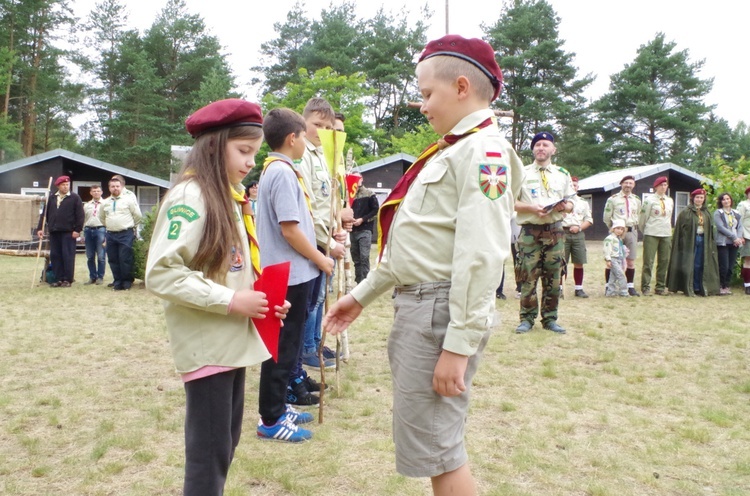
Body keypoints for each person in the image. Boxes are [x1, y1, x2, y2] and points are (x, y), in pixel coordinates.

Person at [323, 35, 522, 495]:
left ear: (460, 86)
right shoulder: (453, 150)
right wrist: (360, 296)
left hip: (438, 312)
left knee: (439, 446)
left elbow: (481, 253)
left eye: (427, 93)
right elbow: (415, 246)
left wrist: (459, 345)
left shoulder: (481, 151)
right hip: (423, 306)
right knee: (434, 444)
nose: (421, 105)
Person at [145, 99, 291, 494]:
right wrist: (231, 301)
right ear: (214, 147)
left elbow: (230, 267)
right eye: (243, 151)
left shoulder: (226, 195)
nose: (250, 163)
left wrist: (261, 299)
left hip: (229, 343)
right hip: (209, 344)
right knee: (207, 460)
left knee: (223, 447)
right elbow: (162, 272)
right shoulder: (191, 197)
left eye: (254, 153)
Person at [255, 107, 335, 441]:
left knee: (285, 348)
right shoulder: (283, 173)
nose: (307, 141)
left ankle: (278, 406)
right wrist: (320, 257)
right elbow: (290, 230)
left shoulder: (281, 170)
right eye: (304, 134)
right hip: (289, 276)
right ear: (292, 138)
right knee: (281, 349)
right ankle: (271, 419)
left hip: (291, 274)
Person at [296, 97, 344, 372]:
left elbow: (329, 201)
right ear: (304, 122)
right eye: (316, 124)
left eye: (327, 125)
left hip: (326, 238)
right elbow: (308, 207)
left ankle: (314, 341)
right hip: (314, 241)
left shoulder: (319, 155)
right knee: (311, 301)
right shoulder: (302, 156)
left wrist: (336, 229)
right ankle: (306, 349)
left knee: (320, 297)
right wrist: (327, 244)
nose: (321, 130)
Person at [514, 131, 575, 334]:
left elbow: (572, 202)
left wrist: (564, 207)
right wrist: (532, 209)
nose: (541, 148)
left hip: (555, 232)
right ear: (533, 149)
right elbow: (510, 202)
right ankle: (526, 319)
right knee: (527, 277)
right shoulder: (521, 173)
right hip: (530, 232)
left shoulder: (563, 174)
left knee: (554, 278)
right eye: (538, 144)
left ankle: (550, 319)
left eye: (545, 145)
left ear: (553, 150)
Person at [666, 188, 720, 296]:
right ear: (693, 198)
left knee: (701, 264)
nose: (699, 199)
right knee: (691, 264)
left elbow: (710, 230)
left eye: (701, 198)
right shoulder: (685, 212)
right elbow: (680, 231)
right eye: (697, 197)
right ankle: (690, 286)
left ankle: (699, 287)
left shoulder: (706, 213)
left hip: (703, 240)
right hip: (690, 241)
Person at [36, 175, 84, 287]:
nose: (66, 187)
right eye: (63, 185)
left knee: (68, 255)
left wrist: (77, 229)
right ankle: (58, 278)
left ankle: (68, 279)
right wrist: (40, 228)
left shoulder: (74, 197)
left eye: (67, 185)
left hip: (68, 232)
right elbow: (44, 215)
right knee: (56, 255)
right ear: (58, 185)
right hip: (54, 231)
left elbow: (80, 215)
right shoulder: (51, 198)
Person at [99, 176, 142, 290]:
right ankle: (117, 282)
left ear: (122, 187)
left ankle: (127, 282)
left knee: (125, 258)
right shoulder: (105, 203)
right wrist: (110, 225)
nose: (115, 188)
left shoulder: (128, 200)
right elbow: (102, 218)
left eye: (117, 186)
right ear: (109, 188)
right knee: (113, 259)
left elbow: (137, 216)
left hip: (125, 233)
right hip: (111, 234)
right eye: (113, 186)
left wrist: (132, 227)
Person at [603, 175, 641, 296]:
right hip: (617, 233)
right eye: (626, 183)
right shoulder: (613, 199)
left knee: (630, 260)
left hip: (630, 231)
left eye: (630, 183)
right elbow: (606, 217)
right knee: (613, 260)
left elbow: (638, 215)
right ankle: (609, 287)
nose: (628, 185)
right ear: (621, 184)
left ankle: (630, 286)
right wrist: (614, 230)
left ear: (633, 185)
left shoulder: (636, 200)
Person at [638, 176, 673, 295]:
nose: (663, 187)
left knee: (664, 261)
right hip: (652, 233)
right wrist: (646, 231)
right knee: (649, 261)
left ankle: (660, 287)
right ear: (656, 187)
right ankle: (645, 286)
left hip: (666, 233)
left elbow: (669, 217)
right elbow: (642, 218)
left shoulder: (669, 200)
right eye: (661, 185)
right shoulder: (649, 200)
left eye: (665, 185)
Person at [561, 176, 593, 298]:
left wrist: (579, 228)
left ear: (578, 187)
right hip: (562, 233)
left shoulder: (583, 203)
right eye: (571, 185)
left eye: (575, 185)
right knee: (560, 262)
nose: (573, 187)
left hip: (578, 233)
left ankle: (578, 289)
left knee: (579, 261)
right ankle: (559, 288)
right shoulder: (560, 202)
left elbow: (589, 220)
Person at [350, 174, 379, 283]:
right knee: (356, 258)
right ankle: (359, 282)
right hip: (352, 231)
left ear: (362, 179)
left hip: (365, 230)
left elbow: (376, 211)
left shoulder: (369, 194)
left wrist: (363, 219)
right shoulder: (349, 196)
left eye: (358, 178)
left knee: (364, 257)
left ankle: (365, 282)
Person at [714, 192, 744, 295]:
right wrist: (734, 237)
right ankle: (721, 286)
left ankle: (727, 285)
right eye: (724, 199)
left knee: (731, 266)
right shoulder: (719, 212)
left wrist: (739, 238)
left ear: (731, 200)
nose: (726, 201)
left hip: (734, 243)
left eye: (728, 199)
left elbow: (740, 226)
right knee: (724, 266)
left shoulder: (736, 213)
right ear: (721, 202)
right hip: (723, 242)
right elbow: (720, 227)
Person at [83, 184, 107, 285]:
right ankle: (92, 277)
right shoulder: (86, 205)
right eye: (94, 191)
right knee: (90, 256)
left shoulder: (106, 204)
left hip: (101, 229)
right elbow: (83, 220)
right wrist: (81, 233)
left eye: (98, 191)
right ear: (91, 193)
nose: (96, 193)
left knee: (101, 256)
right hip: (88, 230)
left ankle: (100, 277)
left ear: (101, 192)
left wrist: (107, 234)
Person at [603, 219, 629, 297]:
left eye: (621, 229)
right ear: (613, 228)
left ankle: (610, 292)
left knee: (613, 277)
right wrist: (608, 259)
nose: (619, 231)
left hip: (619, 259)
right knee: (621, 275)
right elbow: (607, 250)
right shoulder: (609, 239)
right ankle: (623, 292)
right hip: (613, 259)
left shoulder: (619, 239)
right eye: (618, 228)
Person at [736, 187, 750, 295]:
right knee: (748, 260)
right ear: (747, 194)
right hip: (747, 235)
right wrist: (740, 236)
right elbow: (738, 220)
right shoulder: (743, 205)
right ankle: (747, 285)